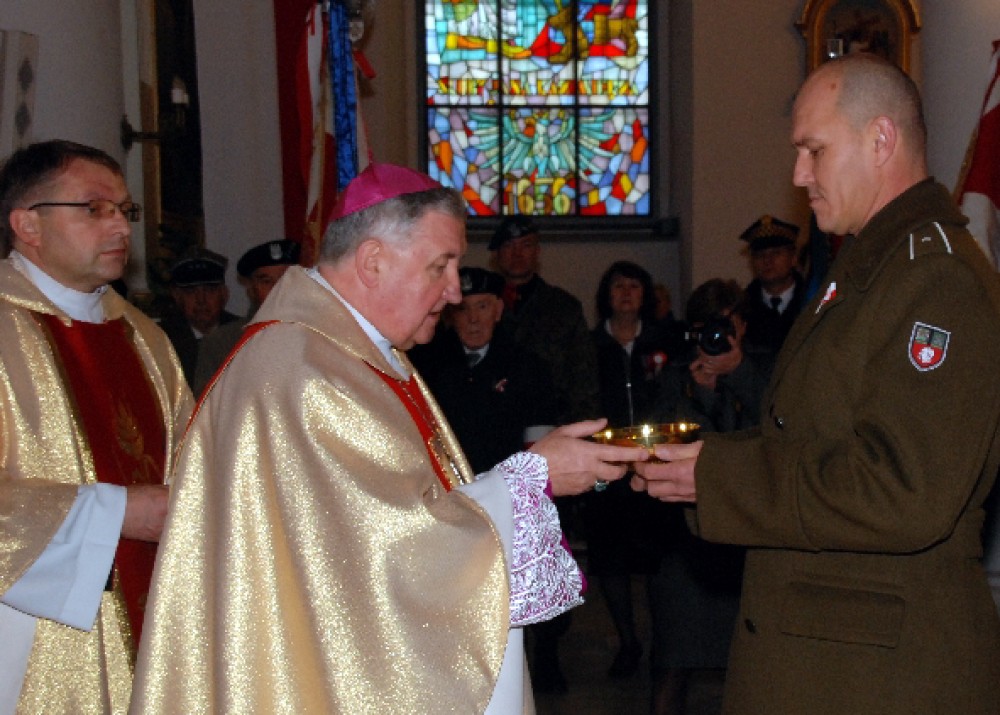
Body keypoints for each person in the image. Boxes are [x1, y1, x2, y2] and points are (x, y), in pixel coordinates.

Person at [131, 162, 646, 714]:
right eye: (441, 266)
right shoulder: (302, 373)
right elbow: (386, 559)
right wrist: (531, 478)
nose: (454, 292)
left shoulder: (349, 351)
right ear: (373, 261)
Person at [633, 53, 1000, 714]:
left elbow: (904, 489)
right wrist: (697, 461)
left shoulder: (936, 279)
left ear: (880, 139)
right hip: (834, 658)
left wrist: (720, 478)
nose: (799, 174)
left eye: (814, 150)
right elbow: (808, 432)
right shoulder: (872, 266)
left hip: (882, 676)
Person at [0, 139, 193, 713]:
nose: (119, 226)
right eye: (93, 208)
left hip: (153, 620)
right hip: (28, 637)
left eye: (125, 210)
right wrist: (114, 513)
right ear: (27, 225)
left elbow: (192, 463)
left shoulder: (145, 337)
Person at [489, 215, 602, 692]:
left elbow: (583, 378)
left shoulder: (561, 307)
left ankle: (549, 649)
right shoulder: (479, 299)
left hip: (550, 440)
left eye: (528, 245)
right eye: (510, 247)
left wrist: (582, 442)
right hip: (494, 441)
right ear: (498, 255)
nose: (519, 254)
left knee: (547, 546)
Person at [647, 278, 769, 715]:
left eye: (725, 326)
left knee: (753, 671)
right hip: (687, 542)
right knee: (674, 661)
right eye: (706, 328)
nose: (715, 338)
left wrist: (739, 373)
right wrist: (700, 394)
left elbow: (777, 430)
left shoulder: (767, 368)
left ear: (743, 326)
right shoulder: (676, 375)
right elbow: (659, 442)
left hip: (748, 538)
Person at [585, 260, 676, 680]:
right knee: (610, 557)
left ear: (646, 295)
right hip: (605, 465)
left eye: (634, 286)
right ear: (607, 295)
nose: (625, 293)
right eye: (618, 286)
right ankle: (627, 641)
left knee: (658, 558)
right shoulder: (590, 345)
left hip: (655, 465)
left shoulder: (662, 342)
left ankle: (665, 645)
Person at [410, 266, 557, 473]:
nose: (473, 319)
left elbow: (540, 448)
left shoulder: (527, 367)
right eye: (463, 309)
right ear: (450, 315)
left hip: (507, 484)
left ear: (498, 311)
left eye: (482, 307)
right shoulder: (427, 365)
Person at [191, 238, 300, 394]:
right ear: (251, 289)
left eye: (286, 279)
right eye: (266, 281)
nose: (278, 289)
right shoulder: (221, 343)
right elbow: (207, 404)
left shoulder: (322, 335)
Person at [158, 247, 239, 387]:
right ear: (177, 296)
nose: (201, 300)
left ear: (224, 294)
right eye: (190, 291)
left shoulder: (242, 334)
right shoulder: (161, 340)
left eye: (210, 290)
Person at [739, 214, 807, 355]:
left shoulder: (813, 301)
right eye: (760, 255)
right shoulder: (741, 308)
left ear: (793, 258)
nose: (767, 261)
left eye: (776, 253)